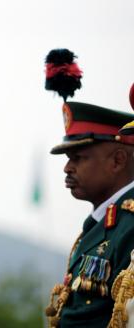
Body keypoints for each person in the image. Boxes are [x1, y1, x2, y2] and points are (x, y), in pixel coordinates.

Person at [44, 49, 134, 327]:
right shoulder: (100, 225)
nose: (67, 168)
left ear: (117, 161)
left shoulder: (129, 225)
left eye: (78, 158)